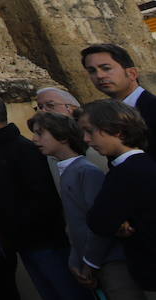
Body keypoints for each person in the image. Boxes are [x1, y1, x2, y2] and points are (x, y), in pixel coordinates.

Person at [0, 89, 82, 300]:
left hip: (45, 243)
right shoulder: (3, 148)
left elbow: (43, 200)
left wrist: (18, 229)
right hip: (29, 244)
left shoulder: (21, 150)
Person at [28, 110, 140, 300]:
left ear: (62, 136)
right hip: (91, 262)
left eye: (40, 133)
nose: (34, 139)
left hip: (110, 263)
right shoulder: (65, 171)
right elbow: (73, 224)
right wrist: (75, 259)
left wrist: (90, 262)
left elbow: (101, 224)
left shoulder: (85, 172)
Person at [81, 99, 156, 294]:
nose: (86, 139)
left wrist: (114, 223)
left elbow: (99, 221)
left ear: (118, 131)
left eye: (91, 131)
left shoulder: (125, 172)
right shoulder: (145, 163)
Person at [81, 43, 156, 135]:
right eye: (92, 71)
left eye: (106, 68)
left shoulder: (152, 108)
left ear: (132, 73)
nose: (99, 76)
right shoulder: (100, 115)